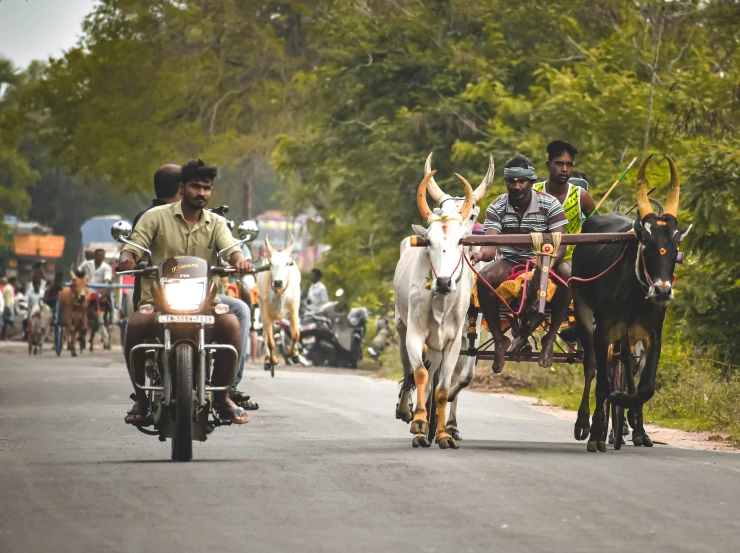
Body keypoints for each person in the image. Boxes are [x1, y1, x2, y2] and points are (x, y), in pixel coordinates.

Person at [118, 159, 254, 425]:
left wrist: (240, 260)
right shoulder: (154, 217)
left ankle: (224, 396)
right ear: (182, 188)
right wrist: (127, 257)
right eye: (195, 187)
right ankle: (142, 397)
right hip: (158, 301)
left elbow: (230, 248)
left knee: (231, 323)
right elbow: (134, 246)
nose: (201, 193)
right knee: (136, 324)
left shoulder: (216, 223)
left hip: (205, 302)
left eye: (207, 188)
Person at [468, 154, 568, 372]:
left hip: (546, 258)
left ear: (531, 182)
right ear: (506, 183)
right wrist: (479, 255)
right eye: (512, 181)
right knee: (484, 279)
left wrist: (546, 263)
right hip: (511, 260)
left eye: (522, 181)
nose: (516, 186)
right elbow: (491, 246)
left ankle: (549, 339)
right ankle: (499, 339)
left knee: (570, 277)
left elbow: (561, 245)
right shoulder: (496, 207)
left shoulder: (549, 204)